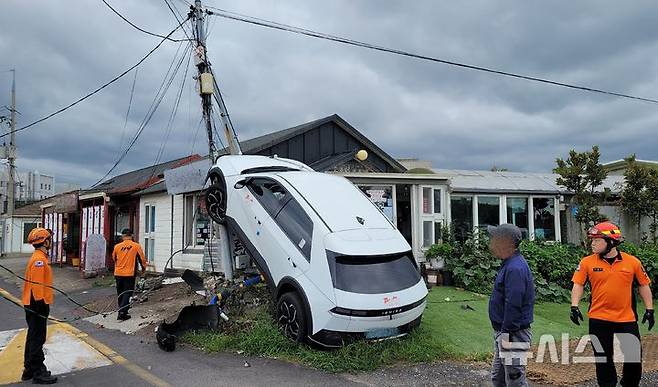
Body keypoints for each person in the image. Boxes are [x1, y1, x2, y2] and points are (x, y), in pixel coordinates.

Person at [570, 221, 654, 387]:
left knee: (633, 356)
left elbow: (643, 285)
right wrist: (574, 306)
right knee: (603, 358)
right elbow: (578, 284)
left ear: (611, 242)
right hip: (598, 318)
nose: (592, 243)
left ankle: (629, 384)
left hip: (626, 318)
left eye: (597, 240)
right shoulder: (587, 262)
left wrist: (649, 309)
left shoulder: (632, 262)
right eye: (592, 240)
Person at [488, 224, 535, 387]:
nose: (491, 243)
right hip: (505, 332)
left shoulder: (515, 268)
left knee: (515, 380)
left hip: (513, 334)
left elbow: (514, 303)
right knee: (498, 377)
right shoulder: (509, 263)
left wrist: (506, 334)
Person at [22, 227, 58, 384]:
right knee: (37, 337)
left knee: (33, 336)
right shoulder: (39, 260)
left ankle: (29, 369)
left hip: (33, 302)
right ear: (45, 242)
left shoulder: (39, 257)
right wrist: (41, 305)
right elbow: (37, 286)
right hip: (37, 303)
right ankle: (38, 372)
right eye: (49, 239)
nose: (51, 242)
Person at [112, 228, 147, 321]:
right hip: (129, 273)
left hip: (118, 273)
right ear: (132, 235)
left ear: (123, 236)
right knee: (127, 292)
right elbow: (142, 259)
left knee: (120, 292)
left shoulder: (117, 247)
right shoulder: (136, 246)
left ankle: (122, 308)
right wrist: (144, 269)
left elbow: (114, 258)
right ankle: (122, 312)